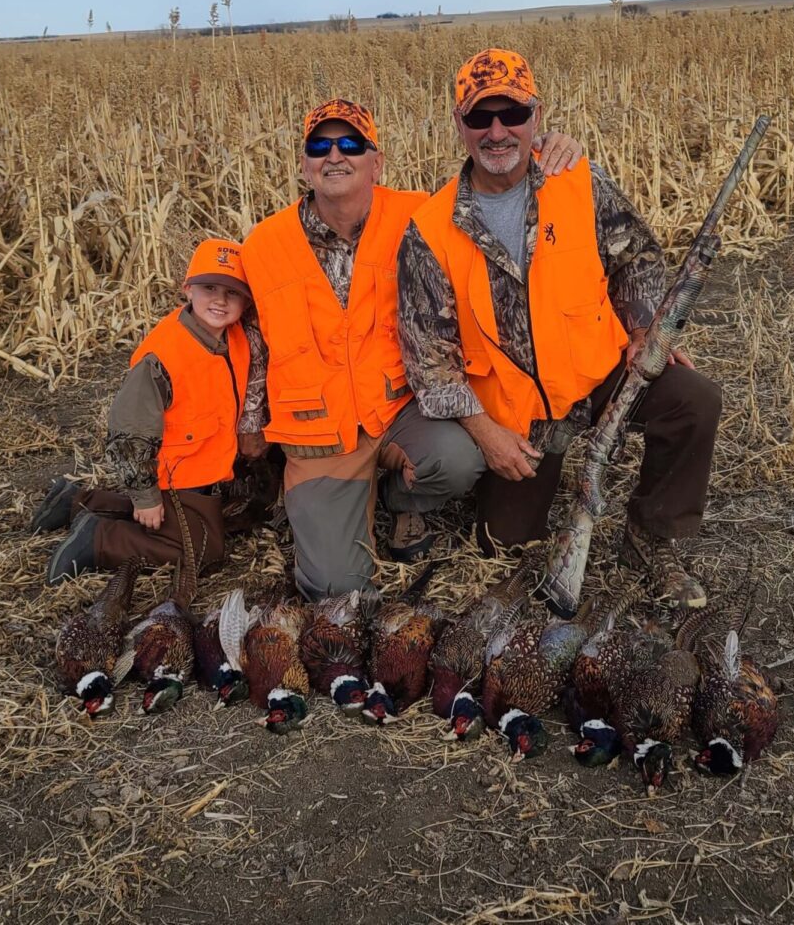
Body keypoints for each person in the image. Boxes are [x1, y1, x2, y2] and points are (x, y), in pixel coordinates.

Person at [397, 49, 722, 606]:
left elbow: (638, 257)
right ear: (458, 125)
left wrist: (644, 329)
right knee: (503, 543)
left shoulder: (579, 179)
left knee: (694, 399)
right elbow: (429, 361)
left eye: (513, 114)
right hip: (519, 417)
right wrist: (488, 435)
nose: (497, 132)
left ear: (536, 117)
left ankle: (650, 539)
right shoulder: (429, 231)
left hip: (599, 377)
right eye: (480, 117)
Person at [238, 99, 582, 602]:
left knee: (461, 458)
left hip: (399, 409)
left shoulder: (420, 214)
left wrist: (549, 149)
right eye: (321, 145)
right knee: (337, 591)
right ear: (304, 163)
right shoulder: (262, 245)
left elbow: (494, 183)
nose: (336, 155)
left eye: (351, 144)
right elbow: (246, 337)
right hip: (320, 431)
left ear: (376, 162)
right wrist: (250, 422)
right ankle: (352, 504)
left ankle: (404, 499)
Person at [34, 238, 253, 585]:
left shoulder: (237, 337)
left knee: (225, 519)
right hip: (171, 478)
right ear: (188, 289)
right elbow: (129, 433)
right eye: (209, 287)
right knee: (204, 550)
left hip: (203, 473)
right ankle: (100, 539)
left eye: (233, 292)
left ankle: (77, 501)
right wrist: (145, 496)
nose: (220, 300)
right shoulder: (164, 355)